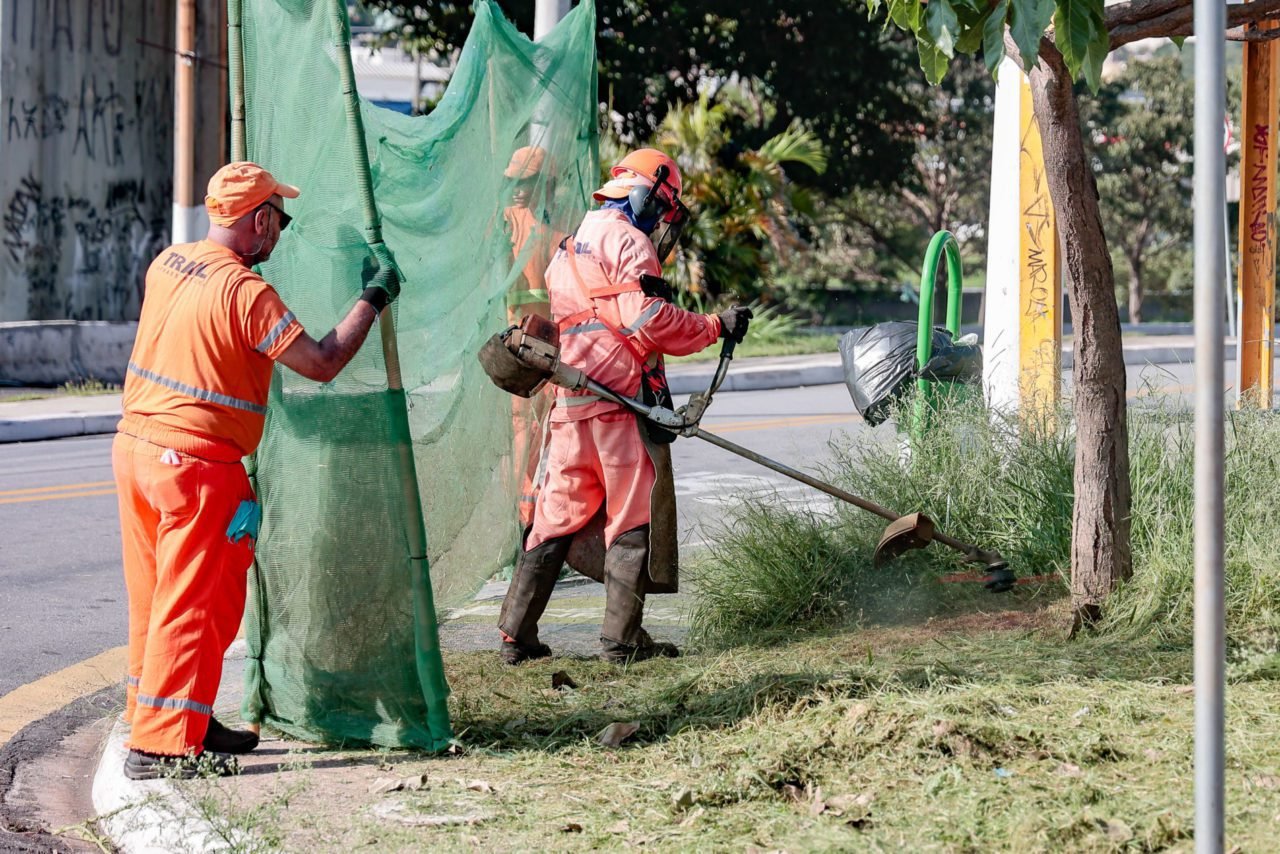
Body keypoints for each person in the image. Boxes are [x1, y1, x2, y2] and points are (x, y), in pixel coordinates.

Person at [113, 162, 399, 779]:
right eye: (280, 219)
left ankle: (169, 716)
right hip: (195, 466)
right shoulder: (246, 293)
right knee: (194, 604)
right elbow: (321, 363)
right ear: (259, 219)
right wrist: (372, 297)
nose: (280, 232)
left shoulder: (169, 263)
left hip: (136, 451)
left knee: (157, 600)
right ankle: (159, 746)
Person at [497, 148, 752, 665]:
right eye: (661, 206)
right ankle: (621, 641)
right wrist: (715, 326)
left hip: (571, 403)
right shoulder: (630, 242)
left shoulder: (568, 246)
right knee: (631, 518)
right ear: (644, 192)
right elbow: (650, 320)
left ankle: (515, 636)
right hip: (620, 406)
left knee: (554, 518)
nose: (660, 220)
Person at [502, 145, 561, 527]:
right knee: (526, 428)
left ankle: (534, 517)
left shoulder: (557, 232)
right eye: (515, 180)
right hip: (517, 344)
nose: (520, 188)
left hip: (546, 346)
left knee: (542, 428)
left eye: (528, 180)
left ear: (544, 184)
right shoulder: (505, 224)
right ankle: (526, 517)